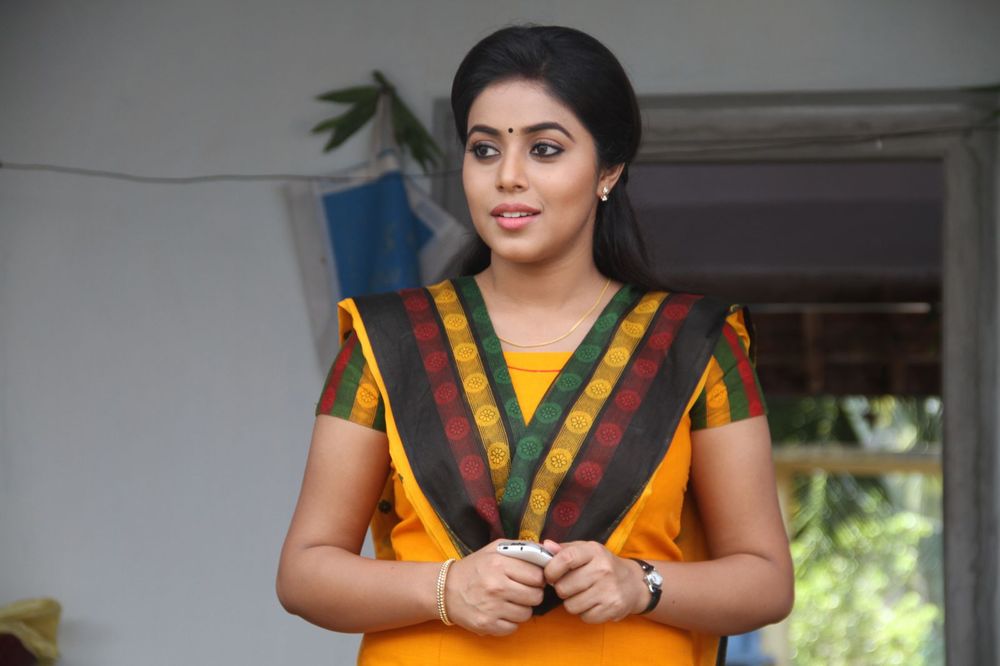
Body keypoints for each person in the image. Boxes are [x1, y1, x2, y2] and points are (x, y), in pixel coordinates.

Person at [276, 25, 793, 666]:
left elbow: (766, 579)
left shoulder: (692, 345)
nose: (508, 176)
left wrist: (641, 584)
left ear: (608, 170)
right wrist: (446, 588)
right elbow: (305, 572)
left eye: (545, 149)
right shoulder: (389, 341)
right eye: (484, 150)